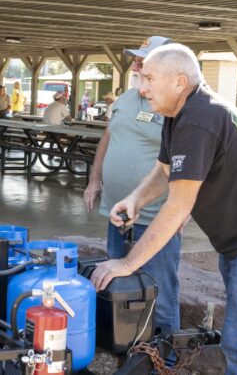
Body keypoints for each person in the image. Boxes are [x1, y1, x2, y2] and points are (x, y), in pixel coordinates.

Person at [90, 43, 237, 374]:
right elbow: (163, 170)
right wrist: (137, 199)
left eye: (150, 78)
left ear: (179, 82)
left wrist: (128, 263)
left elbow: (178, 204)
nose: (142, 88)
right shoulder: (181, 113)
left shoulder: (199, 120)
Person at [84, 36, 181, 335]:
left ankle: (165, 356)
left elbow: (186, 159)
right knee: (118, 279)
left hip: (154, 216)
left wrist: (183, 207)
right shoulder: (127, 98)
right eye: (137, 59)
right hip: (118, 212)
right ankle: (126, 341)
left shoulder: (173, 105)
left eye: (144, 60)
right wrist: (94, 180)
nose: (137, 64)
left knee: (159, 286)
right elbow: (108, 137)